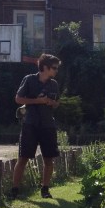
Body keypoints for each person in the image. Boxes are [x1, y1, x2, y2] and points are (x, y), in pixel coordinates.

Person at [11, 53, 61, 199]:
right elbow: (18, 99)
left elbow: (57, 103)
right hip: (30, 124)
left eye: (57, 68)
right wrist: (37, 101)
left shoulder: (54, 84)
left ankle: (45, 189)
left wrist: (52, 103)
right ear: (44, 67)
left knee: (48, 159)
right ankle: (15, 190)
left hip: (47, 125)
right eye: (54, 68)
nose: (56, 71)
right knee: (23, 158)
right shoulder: (29, 80)